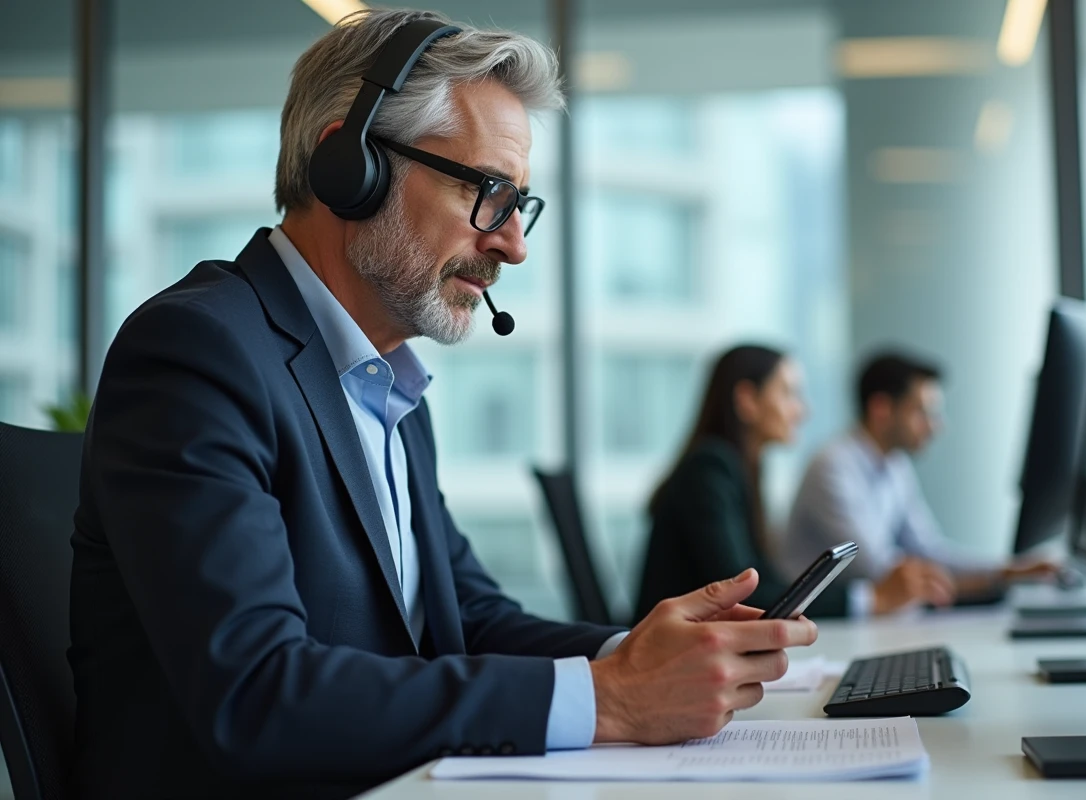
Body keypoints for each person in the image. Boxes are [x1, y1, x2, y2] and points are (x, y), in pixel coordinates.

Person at [66, 10, 818, 799]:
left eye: (518, 203)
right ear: (346, 166)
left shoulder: (389, 381)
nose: (512, 244)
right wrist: (610, 699)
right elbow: (258, 692)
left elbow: (466, 617)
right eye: (487, 191)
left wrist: (643, 655)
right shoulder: (197, 351)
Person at [784, 351, 1057, 617]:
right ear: (882, 409)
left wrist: (1009, 570)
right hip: (821, 622)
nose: (936, 426)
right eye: (923, 413)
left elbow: (928, 549)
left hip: (865, 621)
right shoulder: (832, 466)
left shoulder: (894, 465)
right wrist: (996, 578)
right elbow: (880, 568)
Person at [634, 346, 811, 620]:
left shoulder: (736, 469)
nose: (801, 411)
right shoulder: (709, 470)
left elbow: (764, 577)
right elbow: (742, 590)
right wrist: (864, 599)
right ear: (747, 399)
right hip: (672, 650)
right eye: (788, 393)